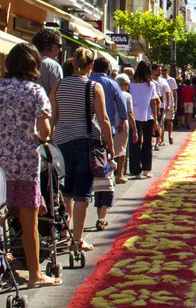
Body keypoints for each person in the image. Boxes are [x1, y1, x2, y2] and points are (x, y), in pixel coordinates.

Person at [0, 43, 59, 287]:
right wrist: (38, 138)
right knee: (28, 222)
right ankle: (35, 274)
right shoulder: (35, 91)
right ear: (34, 65)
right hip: (25, 163)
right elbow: (44, 130)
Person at [50, 47, 113, 252]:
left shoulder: (58, 85)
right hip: (85, 141)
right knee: (83, 193)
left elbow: (54, 116)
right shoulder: (93, 87)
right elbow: (102, 119)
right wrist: (109, 143)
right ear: (90, 66)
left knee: (66, 190)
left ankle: (65, 234)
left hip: (61, 142)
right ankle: (77, 240)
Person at [89, 57, 128, 230]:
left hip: (80, 135)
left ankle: (69, 224)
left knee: (77, 182)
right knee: (103, 176)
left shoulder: (86, 82)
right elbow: (121, 106)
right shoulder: (112, 84)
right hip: (104, 135)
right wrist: (122, 121)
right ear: (107, 69)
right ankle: (101, 216)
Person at [129, 61, 160, 179]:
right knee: (147, 142)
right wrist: (156, 119)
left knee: (134, 142)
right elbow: (154, 102)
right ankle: (147, 169)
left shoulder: (131, 83)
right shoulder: (150, 84)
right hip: (147, 116)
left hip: (133, 115)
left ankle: (135, 170)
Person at [112, 74, 137, 184]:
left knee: (110, 148)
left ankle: (110, 173)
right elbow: (130, 113)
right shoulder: (127, 95)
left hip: (111, 123)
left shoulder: (110, 93)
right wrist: (135, 129)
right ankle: (119, 174)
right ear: (125, 85)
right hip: (122, 123)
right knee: (122, 149)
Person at [31, 28, 64, 95]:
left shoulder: (26, 61)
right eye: (59, 46)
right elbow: (57, 94)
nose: (60, 50)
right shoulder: (53, 66)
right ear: (47, 45)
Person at [161, 67, 177, 144]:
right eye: (161, 70)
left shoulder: (172, 80)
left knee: (169, 120)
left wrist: (175, 104)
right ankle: (162, 138)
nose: (162, 72)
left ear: (167, 71)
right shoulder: (159, 80)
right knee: (161, 122)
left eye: (163, 70)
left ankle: (170, 135)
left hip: (170, 103)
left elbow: (174, 93)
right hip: (162, 104)